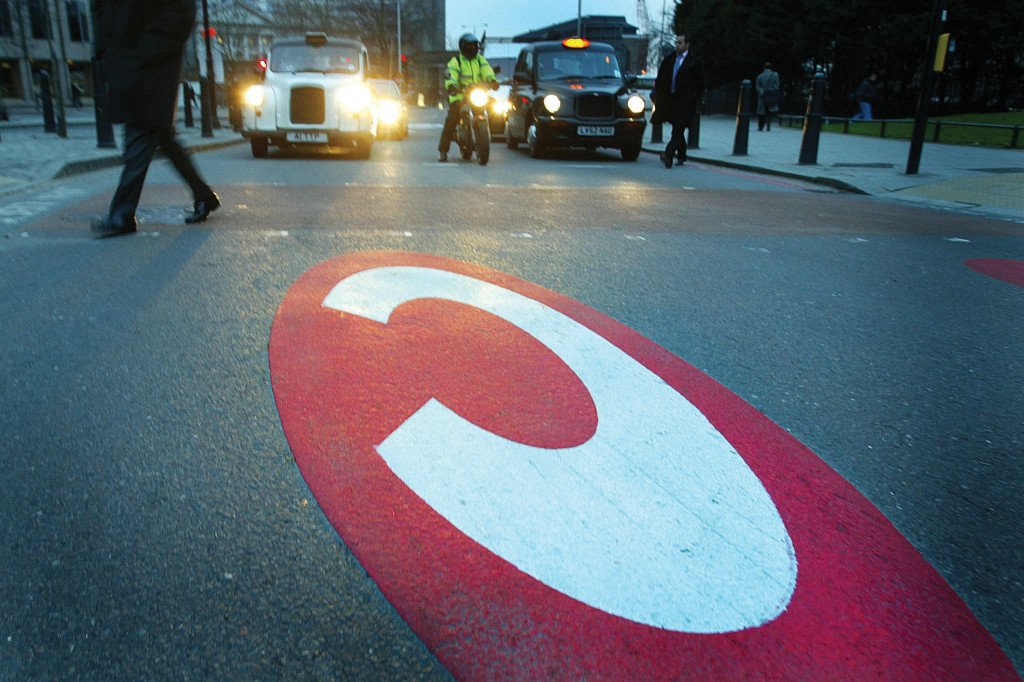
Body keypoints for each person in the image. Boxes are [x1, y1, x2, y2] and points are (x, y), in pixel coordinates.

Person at [91, 0, 220, 237]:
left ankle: (122, 214)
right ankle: (203, 195)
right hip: (129, 65)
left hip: (148, 68)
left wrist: (141, 51)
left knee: (140, 137)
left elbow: (181, 13)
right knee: (161, 136)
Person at [437, 33, 498, 162]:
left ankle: (483, 138)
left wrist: (492, 80)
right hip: (460, 96)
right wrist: (452, 85)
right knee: (451, 121)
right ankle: (443, 150)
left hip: (476, 95)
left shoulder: (480, 60)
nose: (473, 48)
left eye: (474, 45)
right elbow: (451, 73)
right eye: (470, 45)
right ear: (463, 46)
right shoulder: (456, 61)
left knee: (491, 110)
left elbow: (487, 70)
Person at [652, 34, 706, 169]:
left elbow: (700, 82)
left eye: (680, 43)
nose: (677, 45)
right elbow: (662, 77)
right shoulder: (670, 59)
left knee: (678, 129)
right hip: (671, 101)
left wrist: (697, 98)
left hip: (686, 102)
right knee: (677, 128)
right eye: (676, 43)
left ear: (687, 45)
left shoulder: (694, 62)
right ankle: (681, 155)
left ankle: (668, 155)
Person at [755, 62, 780, 131]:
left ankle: (761, 126)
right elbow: (777, 86)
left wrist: (762, 92)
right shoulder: (775, 75)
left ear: (764, 67)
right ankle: (768, 125)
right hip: (771, 95)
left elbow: (757, 86)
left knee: (761, 111)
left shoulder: (760, 76)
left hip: (762, 96)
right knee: (769, 110)